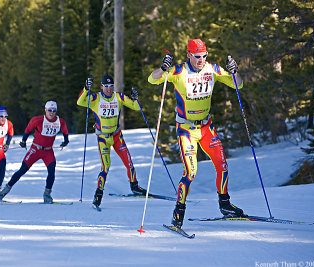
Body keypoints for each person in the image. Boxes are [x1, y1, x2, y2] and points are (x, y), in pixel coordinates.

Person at [148, 39, 245, 228]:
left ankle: (225, 205)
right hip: (186, 129)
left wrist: (234, 71)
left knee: (222, 165)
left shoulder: (213, 69)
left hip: (206, 128)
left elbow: (238, 85)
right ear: (189, 55)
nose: (201, 60)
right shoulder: (179, 71)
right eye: (197, 56)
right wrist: (163, 68)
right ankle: (178, 212)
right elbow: (152, 79)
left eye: (204, 56)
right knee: (190, 172)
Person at [77, 75, 146, 209]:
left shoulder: (118, 97)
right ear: (101, 87)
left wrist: (135, 98)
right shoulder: (95, 98)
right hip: (103, 138)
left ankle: (135, 186)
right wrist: (86, 89)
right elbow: (80, 102)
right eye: (106, 86)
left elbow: (137, 107)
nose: (108, 89)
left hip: (116, 136)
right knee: (105, 167)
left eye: (111, 86)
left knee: (129, 162)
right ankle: (98, 195)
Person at [0, 101, 69, 203]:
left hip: (48, 151)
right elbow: (27, 130)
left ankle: (47, 196)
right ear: (45, 110)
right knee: (22, 170)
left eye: (54, 110)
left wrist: (66, 141)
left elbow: (65, 131)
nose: (51, 113)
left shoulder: (60, 121)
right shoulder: (37, 120)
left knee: (52, 172)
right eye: (49, 110)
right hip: (35, 149)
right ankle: (3, 193)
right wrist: (23, 141)